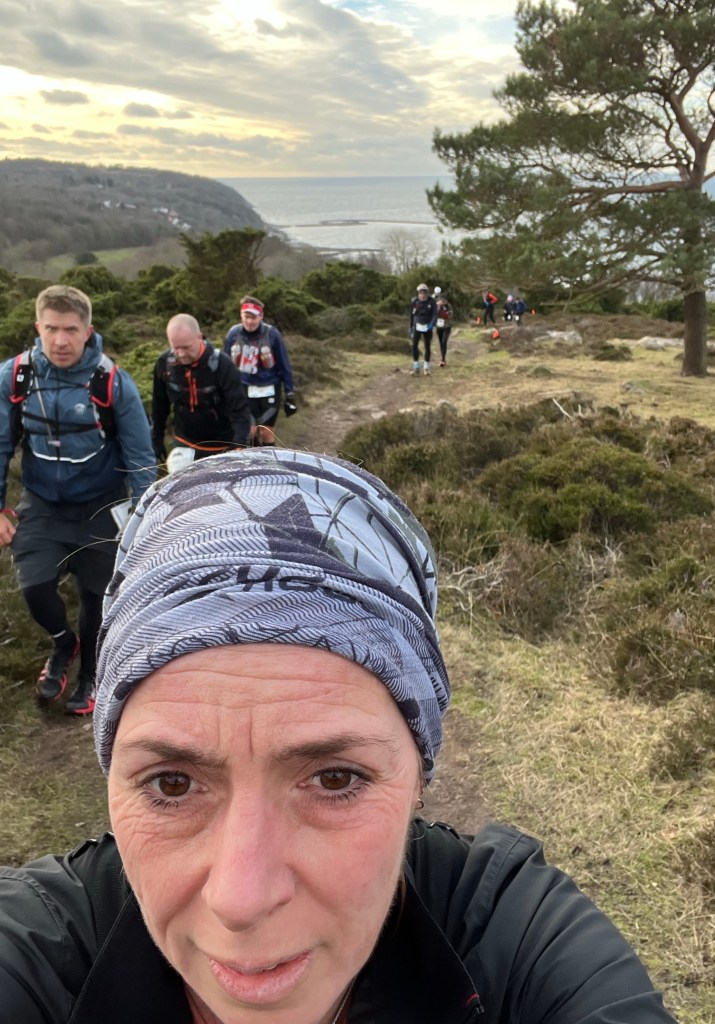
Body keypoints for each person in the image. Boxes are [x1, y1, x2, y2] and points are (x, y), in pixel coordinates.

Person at [0, 448, 677, 1024]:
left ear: (418, 775)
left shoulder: (513, 934)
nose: (242, 898)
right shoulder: (40, 948)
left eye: (334, 778)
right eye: (172, 784)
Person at [0, 285, 155, 716]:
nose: (61, 340)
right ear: (38, 327)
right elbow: (0, 445)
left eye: (71, 329)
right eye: (52, 329)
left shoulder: (112, 382)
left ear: (88, 331)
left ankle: (90, 673)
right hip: (42, 503)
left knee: (95, 595)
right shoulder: (15, 376)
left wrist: (142, 518)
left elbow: (141, 458)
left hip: (101, 505)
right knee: (34, 587)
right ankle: (62, 643)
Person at [152, 314, 253, 470]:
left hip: (222, 446)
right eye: (176, 348)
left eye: (186, 347)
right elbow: (159, 407)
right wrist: (156, 440)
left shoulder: (223, 366)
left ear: (199, 337)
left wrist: (239, 448)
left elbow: (240, 411)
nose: (181, 354)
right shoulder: (164, 364)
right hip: (185, 444)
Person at [223, 296, 297, 430]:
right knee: (249, 431)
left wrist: (289, 393)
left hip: (270, 388)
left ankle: (267, 444)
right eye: (246, 317)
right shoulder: (233, 334)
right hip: (244, 388)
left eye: (254, 317)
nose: (249, 321)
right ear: (241, 315)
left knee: (265, 431)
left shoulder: (273, 334)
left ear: (261, 316)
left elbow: (284, 365)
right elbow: (225, 365)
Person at [408, 282, 436, 376]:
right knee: (414, 345)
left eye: (424, 293)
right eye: (421, 293)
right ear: (418, 293)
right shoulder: (414, 301)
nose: (423, 295)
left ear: (427, 293)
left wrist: (432, 324)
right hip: (417, 326)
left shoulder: (432, 302)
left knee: (427, 346)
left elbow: (434, 315)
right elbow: (411, 315)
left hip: (427, 326)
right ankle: (416, 367)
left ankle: (426, 367)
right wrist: (410, 327)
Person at [435, 292, 452, 367]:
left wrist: (444, 311)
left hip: (446, 327)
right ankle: (442, 357)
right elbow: (434, 315)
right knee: (440, 343)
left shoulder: (448, 306)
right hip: (439, 327)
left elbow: (450, 315)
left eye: (444, 300)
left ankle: (443, 359)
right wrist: (438, 307)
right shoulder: (436, 306)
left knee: (444, 342)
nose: (443, 302)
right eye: (441, 300)